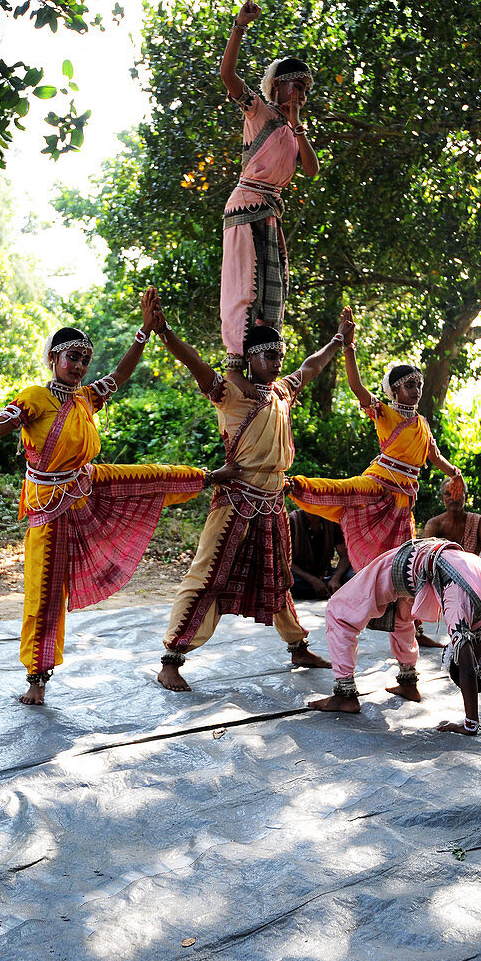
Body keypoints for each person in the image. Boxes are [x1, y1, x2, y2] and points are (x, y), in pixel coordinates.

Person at [0, 292, 236, 706]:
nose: (79, 366)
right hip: (49, 505)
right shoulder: (33, 398)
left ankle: (211, 477)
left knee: (148, 477)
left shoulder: (85, 398)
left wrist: (145, 333)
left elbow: (121, 374)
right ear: (53, 360)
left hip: (86, 485)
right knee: (45, 592)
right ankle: (37, 677)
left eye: (84, 359)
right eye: (71, 358)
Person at [152, 293, 355, 692]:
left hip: (272, 501)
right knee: (207, 575)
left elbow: (310, 368)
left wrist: (337, 341)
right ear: (250, 358)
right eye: (269, 356)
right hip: (236, 501)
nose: (277, 363)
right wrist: (164, 333)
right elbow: (195, 363)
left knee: (278, 576)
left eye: (279, 356)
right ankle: (171, 660)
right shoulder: (231, 393)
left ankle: (298, 647)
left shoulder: (280, 392)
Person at [309, 538, 481, 735]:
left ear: (467, 652)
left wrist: (471, 724)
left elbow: (469, 669)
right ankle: (407, 682)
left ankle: (345, 694)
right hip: (419, 565)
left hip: (405, 567)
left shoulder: (458, 609)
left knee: (338, 611)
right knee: (401, 615)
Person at [291, 313, 462, 573]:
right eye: (409, 385)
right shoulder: (383, 412)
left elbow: (435, 457)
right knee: (341, 491)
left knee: (402, 561)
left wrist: (455, 474)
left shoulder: (423, 423)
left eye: (419, 384)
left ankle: (397, 609)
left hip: (403, 499)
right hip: (378, 482)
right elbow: (356, 385)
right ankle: (291, 486)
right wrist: (349, 348)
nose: (416, 390)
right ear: (394, 391)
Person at [219, 0, 319, 391]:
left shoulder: (295, 131)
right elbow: (228, 76)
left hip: (271, 212)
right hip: (246, 205)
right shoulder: (258, 110)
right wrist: (239, 26)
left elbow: (310, 170)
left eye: (306, 90)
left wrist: (298, 126)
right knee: (245, 287)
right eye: (297, 85)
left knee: (272, 296)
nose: (301, 94)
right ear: (278, 84)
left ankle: (261, 372)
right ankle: (232, 369)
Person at [424, 477, 481, 606]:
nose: (454, 497)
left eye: (458, 492)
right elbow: (425, 559)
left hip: (472, 582)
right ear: (442, 498)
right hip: (442, 584)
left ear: (466, 496)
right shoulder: (434, 525)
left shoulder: (477, 523)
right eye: (448, 494)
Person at [289, 509, 352, 599]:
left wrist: (336, 579)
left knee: (353, 575)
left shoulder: (331, 519)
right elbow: (288, 561)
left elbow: (345, 555)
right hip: (301, 575)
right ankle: (328, 590)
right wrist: (312, 580)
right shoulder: (293, 520)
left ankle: (328, 588)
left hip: (326, 574)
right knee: (289, 583)